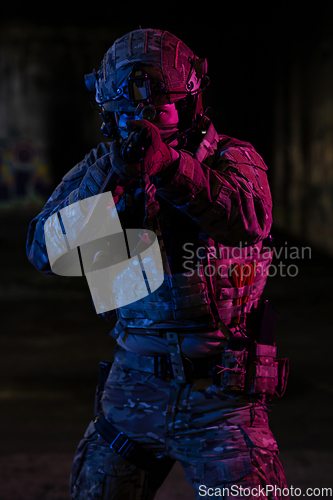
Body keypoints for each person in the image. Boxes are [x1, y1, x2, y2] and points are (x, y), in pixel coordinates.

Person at [26, 28, 289, 500]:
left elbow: (247, 220)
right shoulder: (101, 167)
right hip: (132, 389)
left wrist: (169, 167)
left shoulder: (232, 159)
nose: (137, 121)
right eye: (124, 112)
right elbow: (44, 251)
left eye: (155, 109)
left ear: (187, 106)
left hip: (220, 398)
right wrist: (111, 180)